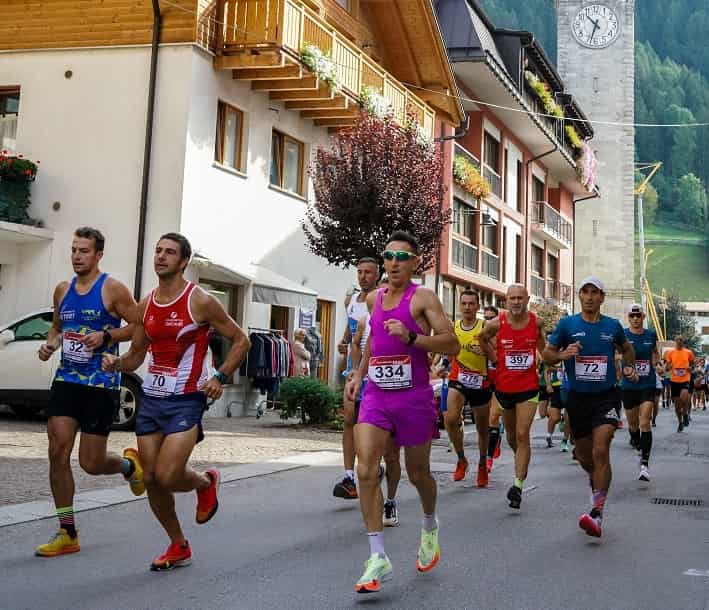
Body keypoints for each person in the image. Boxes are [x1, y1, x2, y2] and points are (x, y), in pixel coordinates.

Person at [102, 233, 250, 570]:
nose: (161, 256)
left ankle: (204, 482)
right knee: (152, 478)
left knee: (168, 475)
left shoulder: (200, 300)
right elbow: (137, 354)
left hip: (187, 398)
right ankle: (177, 544)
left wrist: (221, 376)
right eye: (157, 251)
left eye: (169, 252)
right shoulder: (146, 304)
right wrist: (118, 363)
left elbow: (241, 340)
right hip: (152, 399)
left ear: (184, 262)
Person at [345, 231, 459, 594]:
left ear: (414, 263)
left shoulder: (422, 298)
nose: (393, 262)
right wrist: (358, 375)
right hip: (377, 394)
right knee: (366, 468)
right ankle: (377, 556)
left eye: (401, 257)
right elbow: (373, 344)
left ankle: (429, 525)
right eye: (389, 256)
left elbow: (452, 342)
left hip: (414, 397)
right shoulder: (374, 297)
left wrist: (414, 339)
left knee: (418, 472)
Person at [34, 227, 143, 558]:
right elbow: (58, 327)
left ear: (98, 255)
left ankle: (129, 467)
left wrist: (107, 336)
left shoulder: (112, 288)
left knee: (91, 463)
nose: (77, 256)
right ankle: (67, 532)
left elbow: (140, 325)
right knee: (57, 450)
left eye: (84, 251)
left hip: (101, 385)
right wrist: (50, 345)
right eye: (73, 250)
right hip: (67, 380)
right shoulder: (62, 290)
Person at [543, 277, 637, 538]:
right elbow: (547, 354)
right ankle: (595, 484)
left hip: (606, 396)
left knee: (601, 448)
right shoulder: (567, 325)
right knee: (585, 456)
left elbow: (627, 349)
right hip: (578, 399)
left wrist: (627, 366)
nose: (588, 297)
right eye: (584, 292)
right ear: (579, 296)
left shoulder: (612, 326)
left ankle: (597, 512)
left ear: (601, 297)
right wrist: (562, 355)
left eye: (594, 292)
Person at [479, 284, 545, 510]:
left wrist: (553, 358)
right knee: (511, 440)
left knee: (522, 433)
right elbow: (482, 338)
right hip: (505, 389)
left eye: (520, 298)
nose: (516, 302)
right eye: (512, 298)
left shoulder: (537, 323)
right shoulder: (496, 324)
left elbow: (544, 349)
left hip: (529, 388)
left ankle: (517, 486)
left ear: (527, 299)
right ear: (506, 301)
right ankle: (522, 460)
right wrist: (495, 358)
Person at [333, 257, 380, 500]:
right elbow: (350, 331)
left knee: (369, 425)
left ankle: (373, 467)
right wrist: (343, 343)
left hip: (375, 371)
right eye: (360, 272)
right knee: (349, 419)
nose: (363, 276)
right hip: (354, 370)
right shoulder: (352, 300)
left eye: (368, 273)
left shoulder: (382, 298)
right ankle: (349, 476)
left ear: (377, 275)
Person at [445, 290, 490, 488]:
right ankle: (461, 459)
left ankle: (482, 463)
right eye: (464, 304)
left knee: (482, 428)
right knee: (451, 418)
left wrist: (486, 350)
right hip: (458, 378)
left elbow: (497, 354)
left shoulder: (485, 327)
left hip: (481, 381)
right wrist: (441, 365)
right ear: (460, 305)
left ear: (478, 306)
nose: (467, 307)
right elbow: (448, 351)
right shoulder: (454, 328)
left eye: (471, 304)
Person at [619, 304, 659, 482]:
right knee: (633, 426)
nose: (635, 318)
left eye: (638, 315)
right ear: (628, 318)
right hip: (628, 386)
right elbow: (616, 356)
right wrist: (625, 370)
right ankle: (636, 442)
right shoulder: (624, 335)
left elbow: (655, 353)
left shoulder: (650, 334)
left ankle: (644, 464)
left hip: (647, 384)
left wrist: (657, 364)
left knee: (645, 423)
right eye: (632, 316)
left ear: (643, 317)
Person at [482, 306, 503, 472]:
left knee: (494, 416)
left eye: (491, 318)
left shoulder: (503, 335)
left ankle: (488, 458)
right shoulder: (481, 335)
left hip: (501, 380)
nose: (488, 321)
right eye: (486, 317)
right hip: (483, 380)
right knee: (486, 420)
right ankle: (494, 439)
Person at [665, 335, 695, 432]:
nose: (679, 341)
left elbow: (692, 363)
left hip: (685, 379)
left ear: (683, 341)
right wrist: (668, 367)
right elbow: (667, 366)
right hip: (674, 380)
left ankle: (685, 413)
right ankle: (680, 422)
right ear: (675, 342)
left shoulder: (688, 352)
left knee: (684, 397)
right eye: (677, 340)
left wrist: (691, 368)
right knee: (677, 406)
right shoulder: (670, 353)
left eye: (681, 340)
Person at [544, 361, 565, 449]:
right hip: (556, 389)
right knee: (555, 417)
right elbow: (547, 371)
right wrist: (548, 385)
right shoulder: (555, 356)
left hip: (569, 388)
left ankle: (567, 439)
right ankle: (549, 436)